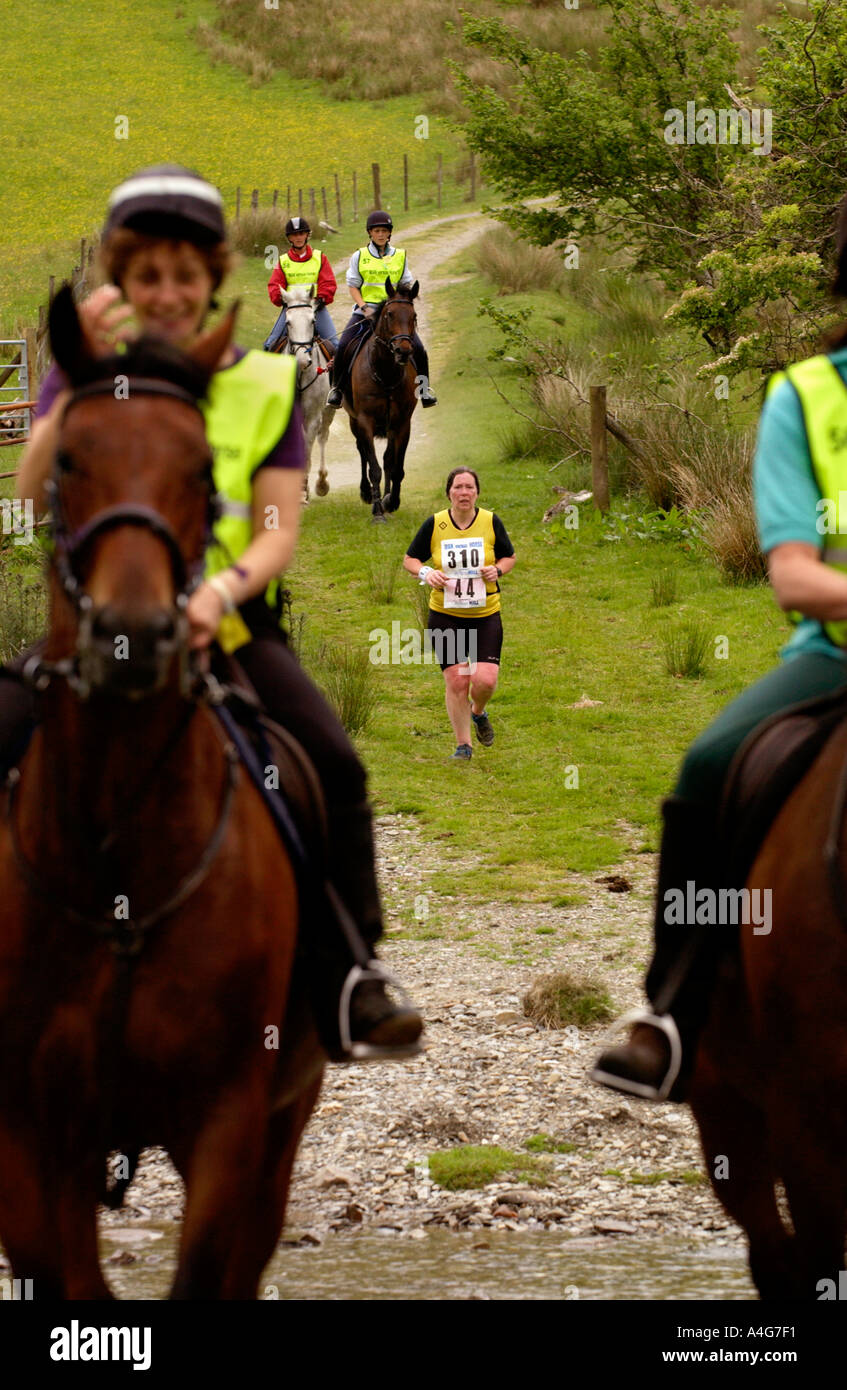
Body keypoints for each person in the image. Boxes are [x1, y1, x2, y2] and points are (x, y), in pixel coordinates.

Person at [13, 163, 422, 1063]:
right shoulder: (85, 374)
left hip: (226, 628)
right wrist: (69, 369)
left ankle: (351, 970)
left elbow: (276, 531)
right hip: (85, 637)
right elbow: (31, 484)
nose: (165, 293)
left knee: (332, 761)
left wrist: (211, 597)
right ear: (119, 280)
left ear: (211, 283)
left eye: (184, 276)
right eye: (144, 275)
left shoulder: (259, 387)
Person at [592, 193, 847, 1102]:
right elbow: (794, 576)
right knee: (707, 766)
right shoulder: (807, 399)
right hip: (836, 656)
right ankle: (671, 1013)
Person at [403, 468, 515, 759]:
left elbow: (510, 556)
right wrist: (426, 572)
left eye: (469, 487)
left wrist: (498, 569)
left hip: (484, 614)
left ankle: (478, 712)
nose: (464, 493)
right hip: (445, 613)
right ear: (449, 492)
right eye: (458, 487)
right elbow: (410, 559)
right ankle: (463, 745)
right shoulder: (436, 523)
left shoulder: (490, 521)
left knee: (485, 680)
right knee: (457, 679)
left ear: (477, 492)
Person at [326, 209, 437, 408]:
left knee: (418, 349)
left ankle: (425, 390)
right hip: (366, 312)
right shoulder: (360, 256)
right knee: (343, 346)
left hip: (394, 314)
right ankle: (338, 390)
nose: (380, 234)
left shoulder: (400, 256)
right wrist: (364, 307)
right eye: (376, 231)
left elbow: (405, 284)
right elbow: (353, 286)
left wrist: (403, 304)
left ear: (389, 233)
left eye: (384, 231)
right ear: (370, 233)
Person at [263, 215, 339, 353]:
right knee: (270, 344)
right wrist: (280, 298)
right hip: (291, 309)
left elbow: (328, 283)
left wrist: (321, 298)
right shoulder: (282, 261)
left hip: (316, 308)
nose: (298, 237)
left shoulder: (319, 258)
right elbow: (274, 285)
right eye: (294, 234)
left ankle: (338, 375)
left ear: (307, 235)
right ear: (289, 238)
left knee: (335, 345)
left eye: (301, 233)